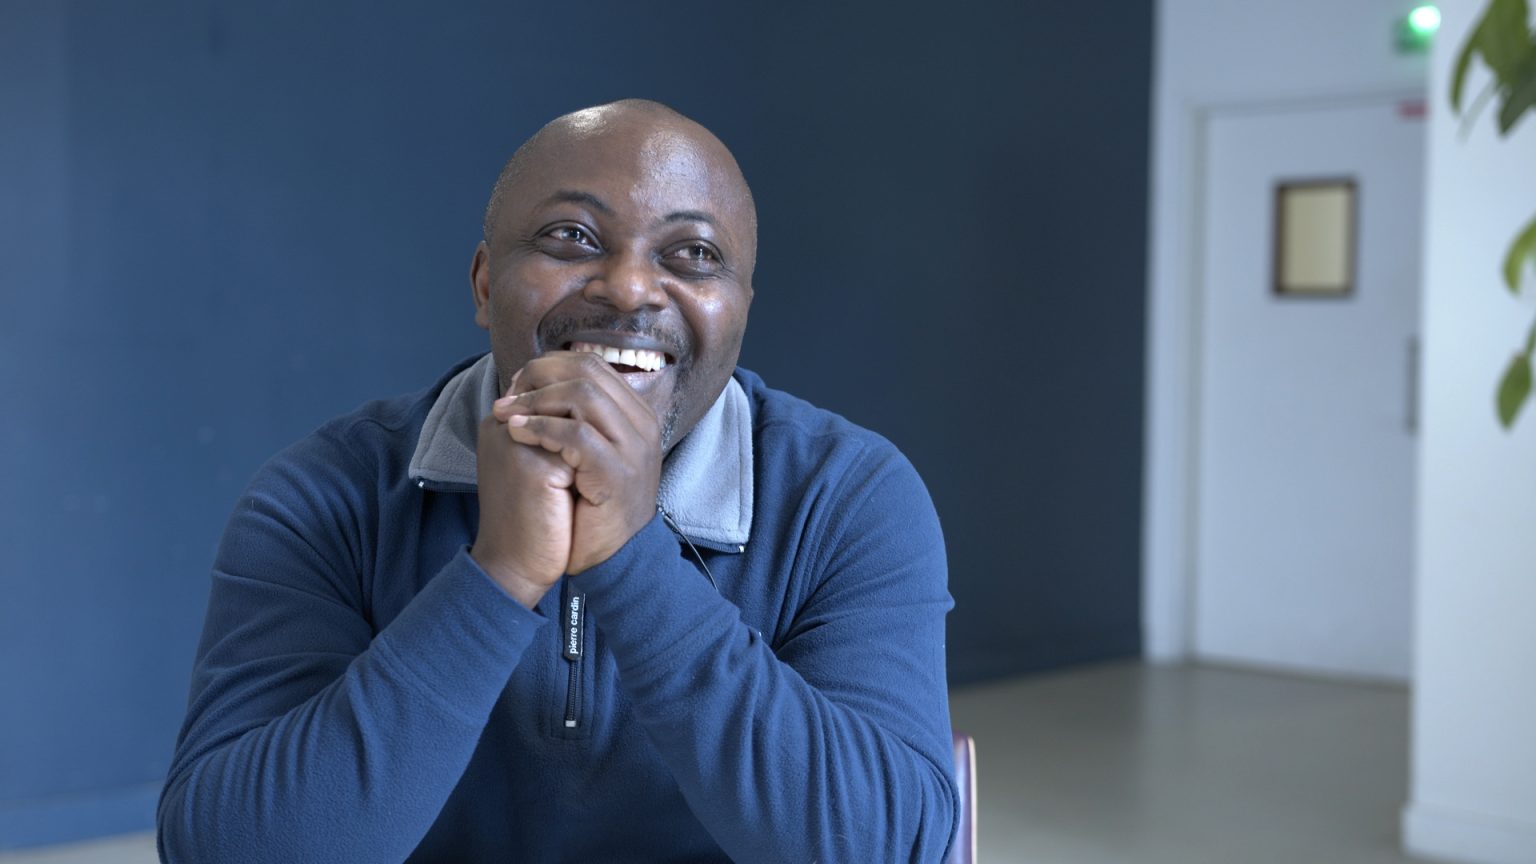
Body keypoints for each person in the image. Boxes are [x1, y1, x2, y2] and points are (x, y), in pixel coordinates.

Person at [158, 99, 957, 863]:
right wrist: (499, 575)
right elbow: (229, 850)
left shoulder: (850, 499)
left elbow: (885, 848)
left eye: (694, 254)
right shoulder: (324, 495)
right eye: (572, 237)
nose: (630, 288)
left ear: (740, 308)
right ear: (484, 284)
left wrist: (632, 556)